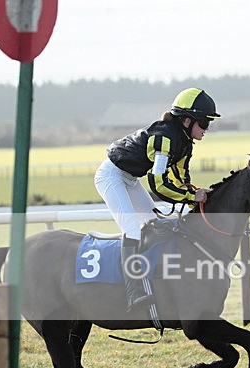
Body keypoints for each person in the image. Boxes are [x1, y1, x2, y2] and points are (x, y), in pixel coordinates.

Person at [94, 88, 220, 312]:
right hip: (111, 176)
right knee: (132, 230)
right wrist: (191, 196)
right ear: (187, 120)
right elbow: (159, 183)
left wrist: (195, 195)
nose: (206, 128)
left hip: (130, 179)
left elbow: (180, 178)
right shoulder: (164, 138)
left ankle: (155, 279)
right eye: (204, 123)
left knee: (155, 225)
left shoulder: (184, 142)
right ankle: (133, 292)